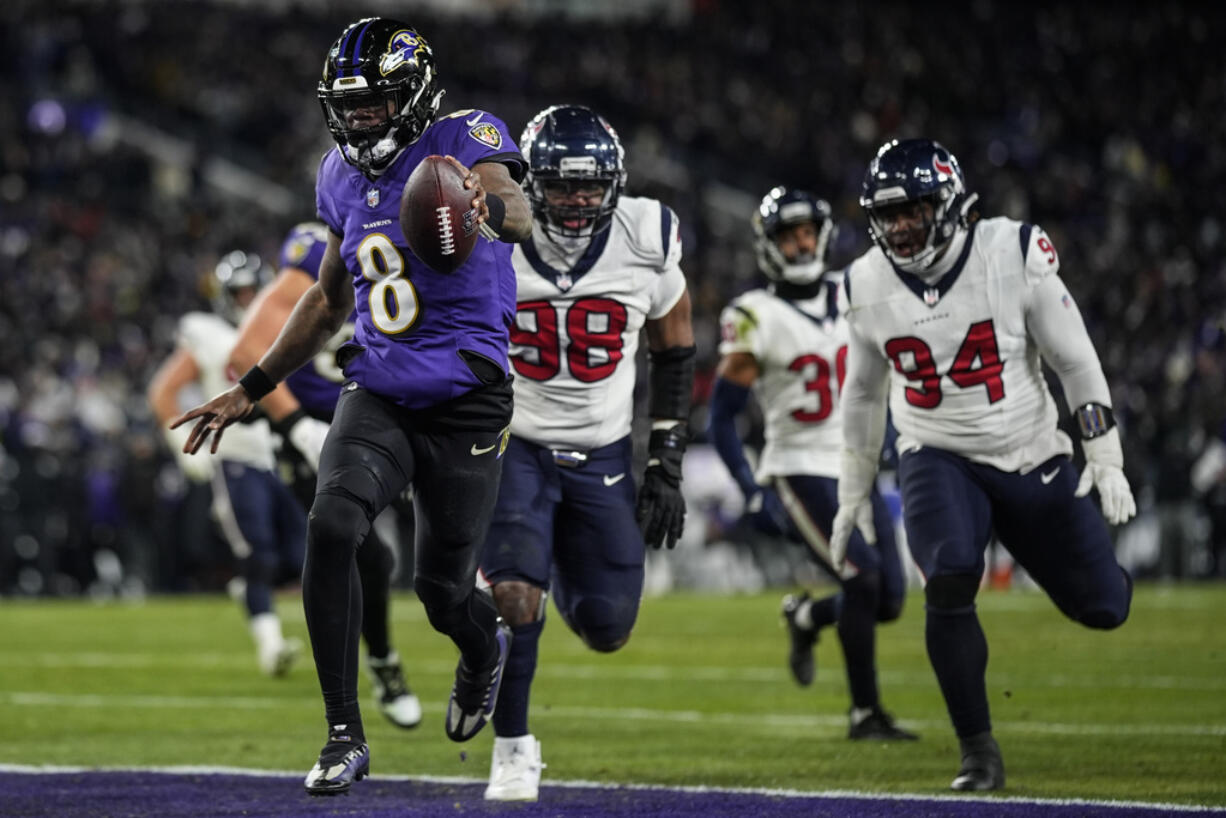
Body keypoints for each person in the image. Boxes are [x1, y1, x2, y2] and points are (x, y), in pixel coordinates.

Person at [170, 17, 533, 796]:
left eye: (376, 103)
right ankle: (343, 733)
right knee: (333, 522)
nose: (361, 117)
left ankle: (482, 652)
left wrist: (483, 206)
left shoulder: (464, 137)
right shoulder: (337, 175)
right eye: (351, 104)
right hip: (377, 385)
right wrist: (254, 386)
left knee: (442, 594)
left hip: (468, 395)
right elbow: (329, 299)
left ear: (415, 95)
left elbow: (518, 209)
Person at [831, 138, 1136, 791]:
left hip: (1030, 447)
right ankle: (978, 751)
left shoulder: (1010, 251)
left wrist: (1103, 455)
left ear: (949, 203)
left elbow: (1076, 363)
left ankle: (1102, 578)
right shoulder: (865, 282)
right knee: (949, 576)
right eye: (889, 215)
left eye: (914, 209)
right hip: (936, 450)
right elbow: (862, 393)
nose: (902, 226)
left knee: (1104, 606)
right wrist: (853, 488)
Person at [478, 104, 694, 802]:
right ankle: (512, 748)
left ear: (615, 184)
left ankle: (521, 610)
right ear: (529, 182)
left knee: (608, 626)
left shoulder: (648, 234)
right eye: (562, 186)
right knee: (516, 594)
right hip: (516, 442)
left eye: (590, 186)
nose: (576, 201)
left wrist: (664, 459)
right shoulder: (492, 231)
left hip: (602, 452)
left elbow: (676, 348)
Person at [707, 187, 915, 741]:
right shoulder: (755, 314)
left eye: (805, 233)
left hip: (857, 463)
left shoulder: (854, 294)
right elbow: (721, 417)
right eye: (787, 235)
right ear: (769, 245)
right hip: (799, 466)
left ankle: (806, 619)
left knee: (889, 598)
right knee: (865, 580)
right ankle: (865, 714)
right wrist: (751, 487)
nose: (799, 244)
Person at [227, 220, 423, 730]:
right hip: (316, 436)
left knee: (440, 518)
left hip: (378, 418)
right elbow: (244, 354)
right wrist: (297, 427)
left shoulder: (416, 234)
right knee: (367, 556)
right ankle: (381, 666)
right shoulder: (322, 245)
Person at [147, 251, 305, 678]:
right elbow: (164, 392)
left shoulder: (282, 326)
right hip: (231, 454)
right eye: (241, 292)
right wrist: (181, 444)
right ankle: (271, 645)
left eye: (256, 290)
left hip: (277, 454)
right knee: (257, 553)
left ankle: (250, 593)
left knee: (303, 555)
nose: (249, 299)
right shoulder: (208, 332)